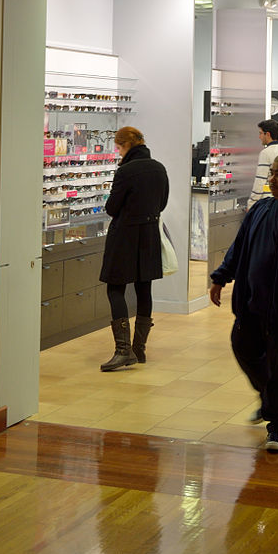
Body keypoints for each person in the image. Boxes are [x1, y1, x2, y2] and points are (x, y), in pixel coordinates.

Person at [209, 152, 278, 453]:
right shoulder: (261, 209)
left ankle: (277, 426)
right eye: (271, 173)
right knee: (243, 346)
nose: (273, 179)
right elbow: (239, 247)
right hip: (251, 304)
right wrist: (220, 276)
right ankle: (268, 399)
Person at [98, 126, 169, 371]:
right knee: (144, 288)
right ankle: (139, 348)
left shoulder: (126, 171)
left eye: (118, 148)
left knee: (115, 288)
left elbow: (111, 207)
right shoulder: (159, 168)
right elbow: (163, 202)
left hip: (125, 236)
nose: (118, 152)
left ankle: (122, 351)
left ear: (125, 145)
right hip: (149, 235)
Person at [247, 119, 278, 208]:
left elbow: (260, 181)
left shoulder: (266, 153)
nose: (259, 136)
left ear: (267, 134)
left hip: (268, 203)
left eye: (260, 133)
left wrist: (251, 204)